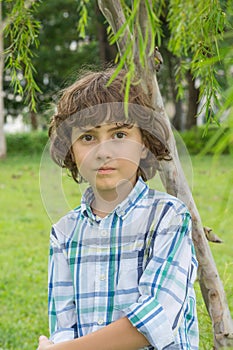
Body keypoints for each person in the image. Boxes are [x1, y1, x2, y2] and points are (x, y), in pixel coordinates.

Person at [38, 68, 199, 350]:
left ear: (145, 144)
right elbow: (64, 324)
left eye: (120, 134)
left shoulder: (169, 219)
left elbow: (153, 322)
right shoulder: (64, 232)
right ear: (70, 150)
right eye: (87, 137)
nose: (104, 152)